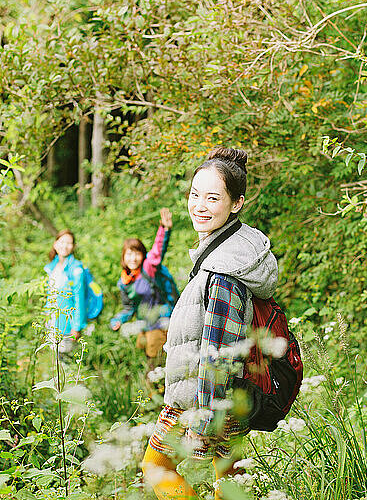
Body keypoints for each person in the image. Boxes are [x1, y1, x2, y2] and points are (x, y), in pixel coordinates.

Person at [142, 147, 279, 500]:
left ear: (236, 203)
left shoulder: (224, 271)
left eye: (212, 198)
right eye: (195, 194)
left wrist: (202, 423)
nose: (199, 206)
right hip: (227, 398)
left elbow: (219, 353)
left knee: (156, 468)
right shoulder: (228, 252)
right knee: (229, 485)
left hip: (201, 399)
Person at [110, 207, 174, 361]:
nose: (133, 258)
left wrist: (164, 229)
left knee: (156, 360)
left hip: (161, 322)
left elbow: (158, 251)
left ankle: (156, 385)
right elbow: (129, 307)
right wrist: (118, 320)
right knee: (144, 355)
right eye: (129, 254)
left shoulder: (148, 268)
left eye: (137, 253)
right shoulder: (124, 281)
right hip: (144, 324)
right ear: (123, 257)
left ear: (142, 255)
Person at [44, 229, 87, 354]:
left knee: (66, 362)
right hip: (52, 323)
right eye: (62, 242)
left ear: (73, 247)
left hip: (67, 325)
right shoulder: (52, 267)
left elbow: (79, 299)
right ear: (55, 244)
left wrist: (76, 327)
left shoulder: (76, 269)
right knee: (55, 361)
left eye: (69, 243)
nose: (65, 246)